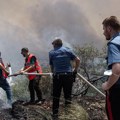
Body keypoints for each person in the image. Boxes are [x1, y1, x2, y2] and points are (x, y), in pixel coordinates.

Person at [49, 39, 80, 119]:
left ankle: (55, 116)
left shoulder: (52, 53)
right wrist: (75, 70)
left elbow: (52, 66)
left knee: (56, 96)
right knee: (68, 96)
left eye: (53, 44)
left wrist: (53, 73)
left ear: (55, 44)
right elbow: (78, 60)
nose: (53, 45)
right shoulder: (68, 50)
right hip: (68, 76)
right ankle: (68, 114)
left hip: (58, 76)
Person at [102, 16, 120, 120]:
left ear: (109, 28)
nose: (103, 32)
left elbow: (117, 70)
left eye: (104, 29)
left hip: (117, 92)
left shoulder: (113, 44)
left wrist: (107, 85)